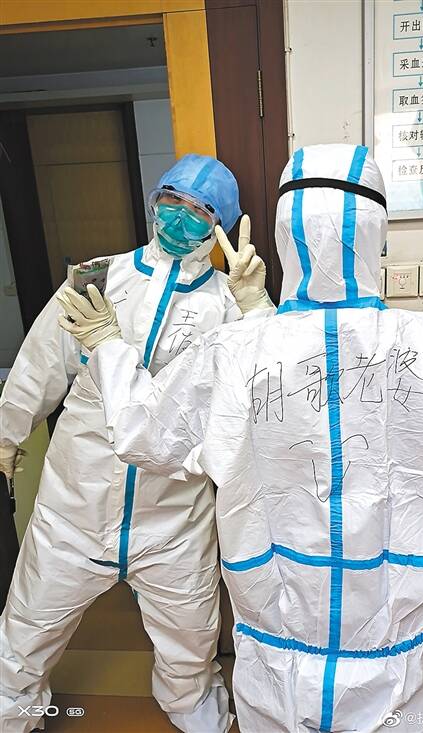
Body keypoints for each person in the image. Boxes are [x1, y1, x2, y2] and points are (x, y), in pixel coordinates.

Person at [57, 144, 423, 733]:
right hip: (394, 650)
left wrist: (109, 349)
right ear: (377, 237)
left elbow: (145, 434)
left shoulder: (236, 352)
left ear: (284, 238)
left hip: (275, 648)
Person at [0, 153, 272, 733]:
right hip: (74, 507)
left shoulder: (228, 304)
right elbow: (40, 363)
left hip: (174, 518)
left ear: (221, 226)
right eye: (171, 200)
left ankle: (194, 711)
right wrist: (6, 434)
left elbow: (271, 382)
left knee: (189, 643)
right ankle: (12, 712)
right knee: (26, 629)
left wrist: (257, 308)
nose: (179, 217)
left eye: (199, 210)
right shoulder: (98, 279)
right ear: (154, 201)